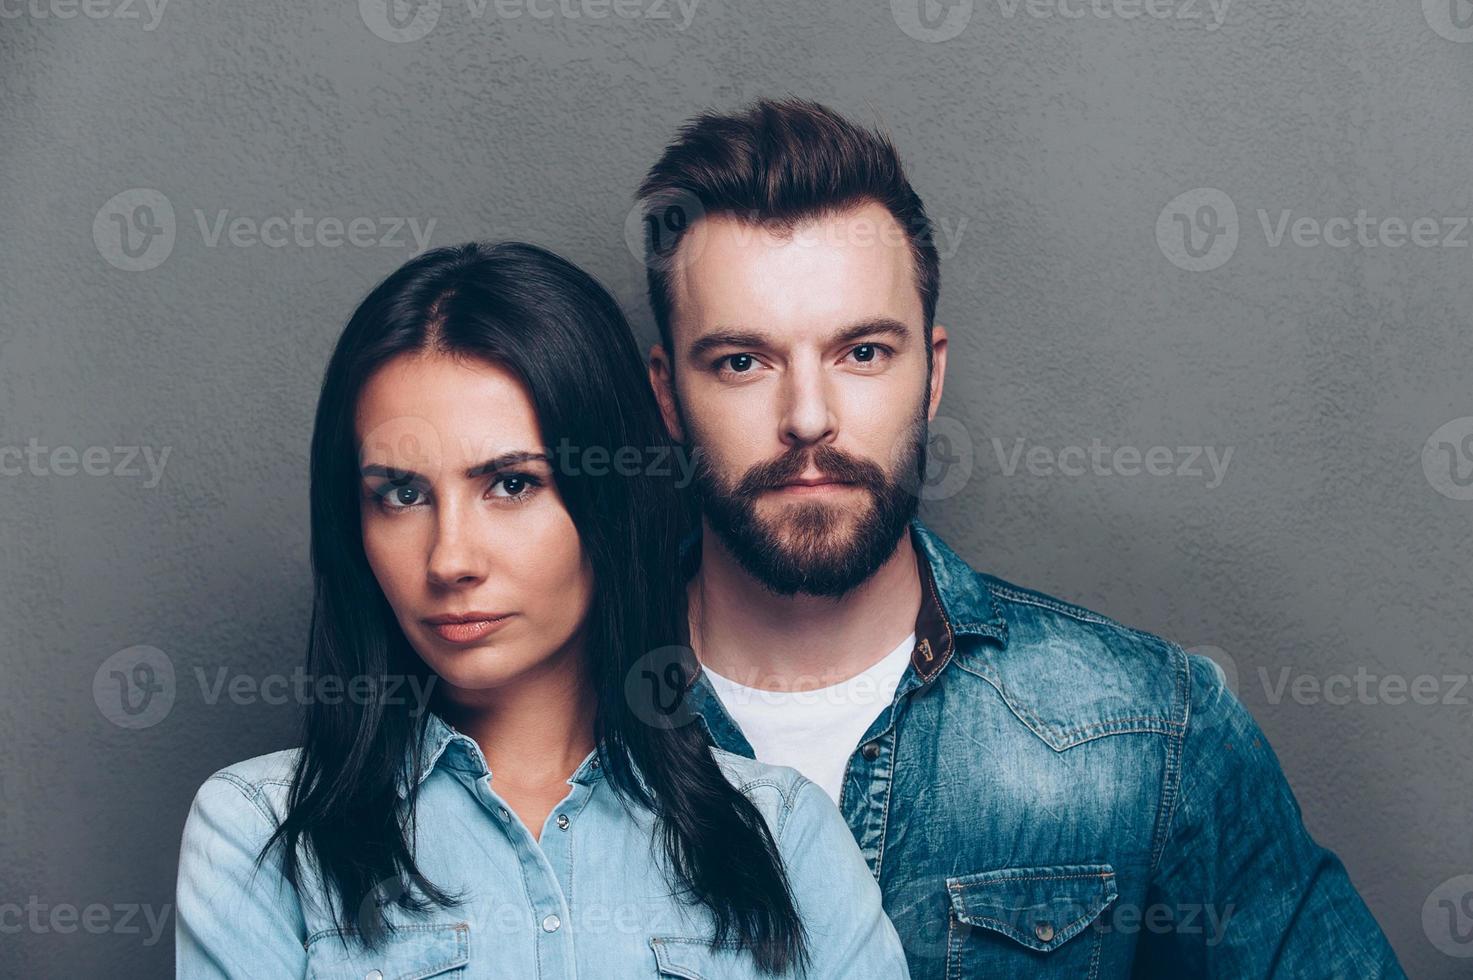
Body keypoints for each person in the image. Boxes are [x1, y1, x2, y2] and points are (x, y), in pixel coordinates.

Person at [637, 98, 1407, 978]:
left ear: (930, 376)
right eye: (742, 362)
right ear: (667, 396)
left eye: (862, 354)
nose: (807, 418)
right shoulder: (553, 726)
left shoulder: (1149, 731)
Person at [174, 241, 910, 978]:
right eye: (402, 494)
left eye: (511, 484)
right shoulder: (260, 833)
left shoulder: (782, 835)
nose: (449, 559)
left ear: (609, 499)